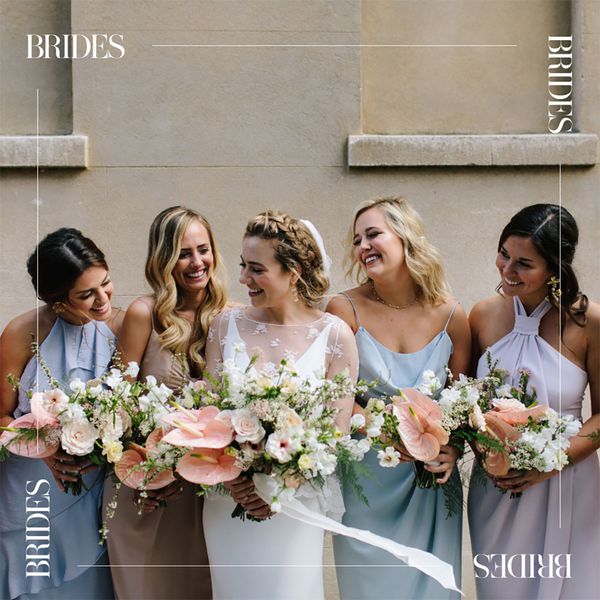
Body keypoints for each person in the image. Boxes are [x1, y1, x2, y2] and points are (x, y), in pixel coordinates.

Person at [203, 210, 358, 600]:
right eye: (242, 266)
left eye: (257, 269)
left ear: (293, 273)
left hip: (294, 504)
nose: (242, 279)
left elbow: (333, 434)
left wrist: (280, 485)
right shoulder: (225, 324)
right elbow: (209, 415)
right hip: (228, 499)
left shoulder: (334, 335)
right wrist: (237, 481)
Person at [330, 197, 471, 600]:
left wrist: (453, 449)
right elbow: (339, 398)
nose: (362, 246)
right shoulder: (345, 308)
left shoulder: (452, 316)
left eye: (373, 234)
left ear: (406, 238)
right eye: (357, 239)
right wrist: (387, 434)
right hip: (367, 479)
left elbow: (464, 403)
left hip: (428, 483)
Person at [467, 203, 600, 599]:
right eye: (504, 254)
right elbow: (465, 405)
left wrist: (550, 462)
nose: (507, 270)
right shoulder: (481, 316)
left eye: (524, 263)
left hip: (570, 487)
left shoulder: (587, 322)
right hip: (498, 489)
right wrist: (486, 449)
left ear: (555, 269)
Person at [104, 206, 226, 599]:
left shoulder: (233, 315)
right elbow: (117, 400)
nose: (196, 262)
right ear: (163, 259)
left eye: (202, 249)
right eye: (183, 253)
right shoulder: (145, 313)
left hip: (208, 488)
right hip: (147, 486)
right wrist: (144, 472)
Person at [0, 228, 121, 599]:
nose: (102, 300)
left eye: (106, 283)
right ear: (55, 299)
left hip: (94, 498)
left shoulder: (122, 327)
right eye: (86, 294)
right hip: (32, 496)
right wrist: (45, 449)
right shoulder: (22, 333)